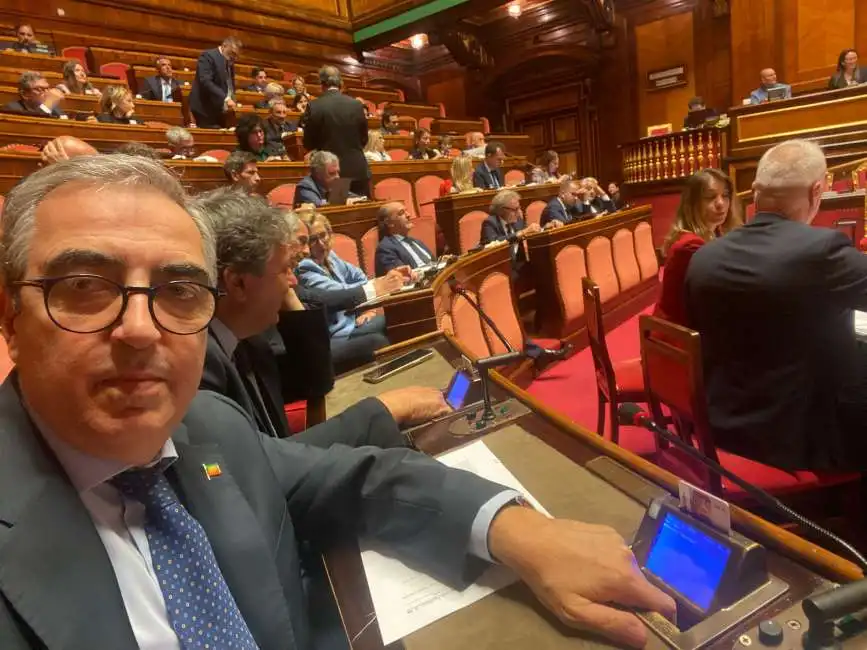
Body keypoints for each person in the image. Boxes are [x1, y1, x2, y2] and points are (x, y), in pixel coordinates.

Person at [0, 154, 674, 650]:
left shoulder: (206, 426)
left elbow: (355, 477)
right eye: (86, 286)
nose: (142, 329)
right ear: (9, 314)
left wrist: (515, 530)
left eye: (179, 291)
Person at [685, 138, 867, 471]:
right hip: (801, 441)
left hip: (720, 429)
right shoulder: (822, 249)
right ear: (816, 192)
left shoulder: (705, 256)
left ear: (755, 190)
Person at [192, 187, 420, 443]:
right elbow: (264, 465)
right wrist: (383, 411)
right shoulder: (200, 368)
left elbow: (317, 383)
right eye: (285, 269)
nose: (293, 281)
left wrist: (288, 298)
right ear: (237, 284)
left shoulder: (248, 341)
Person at [297, 212, 399, 370]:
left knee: (397, 320)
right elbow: (341, 295)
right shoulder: (304, 267)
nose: (321, 244)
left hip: (353, 322)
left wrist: (365, 310)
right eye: (312, 240)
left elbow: (359, 277)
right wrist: (378, 285)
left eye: (323, 236)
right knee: (379, 338)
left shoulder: (330, 256)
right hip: (333, 334)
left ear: (330, 234)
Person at [654, 169, 741, 327]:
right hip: (679, 340)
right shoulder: (690, 246)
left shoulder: (714, 234)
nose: (721, 203)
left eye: (725, 195)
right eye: (710, 197)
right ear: (692, 204)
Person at [301, 66, 370, 197]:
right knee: (362, 213)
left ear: (321, 84)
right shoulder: (356, 105)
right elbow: (364, 139)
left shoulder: (315, 106)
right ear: (341, 83)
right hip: (359, 168)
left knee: (341, 213)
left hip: (334, 172)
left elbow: (308, 143)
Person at [480, 189, 541, 272]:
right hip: (499, 268)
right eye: (515, 209)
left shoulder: (517, 220)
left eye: (519, 208)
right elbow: (493, 244)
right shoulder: (490, 223)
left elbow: (529, 234)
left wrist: (544, 228)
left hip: (518, 265)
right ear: (502, 210)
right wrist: (521, 233)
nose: (519, 212)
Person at [189, 36, 242, 128]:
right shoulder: (208, 56)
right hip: (205, 109)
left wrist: (232, 97)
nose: (234, 57)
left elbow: (228, 83)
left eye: (236, 55)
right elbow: (205, 81)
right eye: (232, 53)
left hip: (220, 110)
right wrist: (225, 98)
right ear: (224, 46)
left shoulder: (229, 60)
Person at [374, 201, 435, 275]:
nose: (408, 215)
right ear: (389, 223)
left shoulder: (416, 241)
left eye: (407, 211)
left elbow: (434, 262)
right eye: (401, 213)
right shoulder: (385, 248)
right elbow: (402, 277)